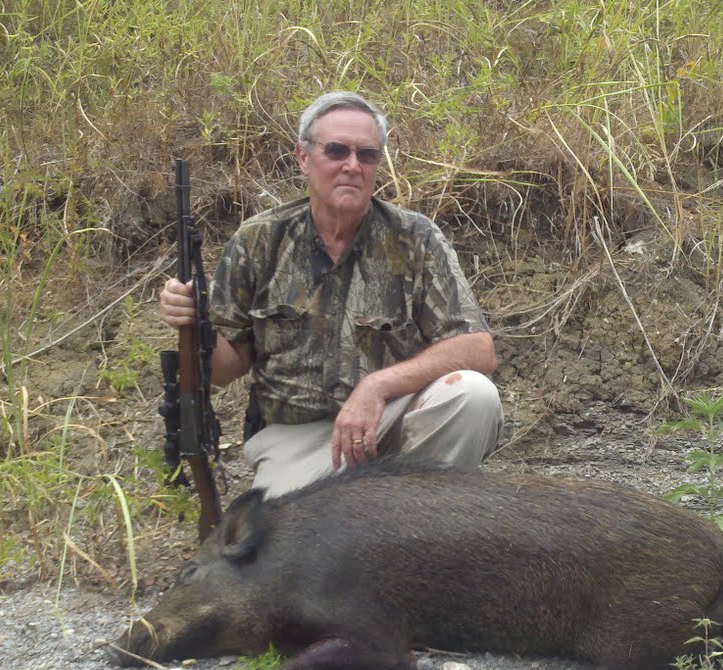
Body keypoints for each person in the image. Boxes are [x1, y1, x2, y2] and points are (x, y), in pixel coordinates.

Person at [157, 91, 503, 496]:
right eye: (337, 150)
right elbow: (224, 370)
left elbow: (479, 350)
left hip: (390, 421)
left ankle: (414, 527)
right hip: (297, 439)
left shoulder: (416, 238)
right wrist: (195, 321)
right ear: (303, 157)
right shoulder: (259, 240)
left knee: (473, 396)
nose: (352, 166)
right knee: (287, 556)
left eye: (368, 154)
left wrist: (376, 387)